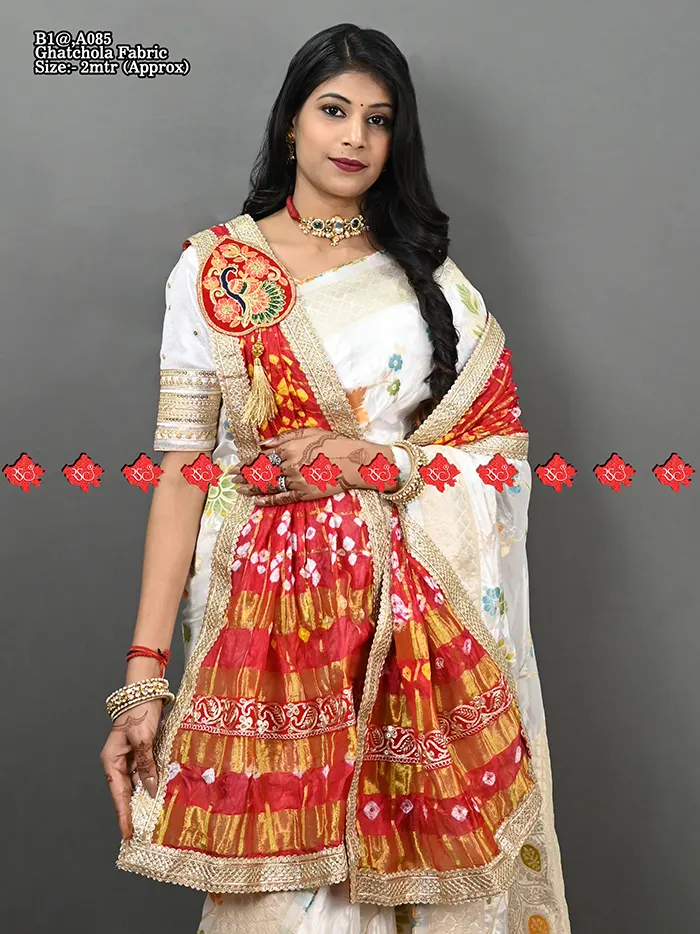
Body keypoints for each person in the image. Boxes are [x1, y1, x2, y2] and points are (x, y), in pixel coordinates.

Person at [100, 22, 571, 934]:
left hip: (415, 634)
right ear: (292, 123)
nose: (355, 136)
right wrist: (144, 676)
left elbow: (499, 457)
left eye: (379, 120)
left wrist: (379, 463)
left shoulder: (431, 279)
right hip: (273, 636)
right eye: (333, 110)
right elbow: (184, 474)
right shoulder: (215, 270)